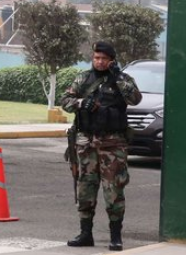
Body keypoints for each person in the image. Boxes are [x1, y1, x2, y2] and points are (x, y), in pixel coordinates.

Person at [61, 41, 143, 252]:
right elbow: (65, 100)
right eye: (96, 58)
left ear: (112, 60)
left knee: (113, 190)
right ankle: (85, 233)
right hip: (86, 143)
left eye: (104, 59)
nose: (99, 62)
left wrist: (118, 77)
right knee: (85, 188)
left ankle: (115, 237)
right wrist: (81, 103)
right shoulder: (83, 78)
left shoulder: (122, 80)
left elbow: (135, 99)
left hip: (112, 145)